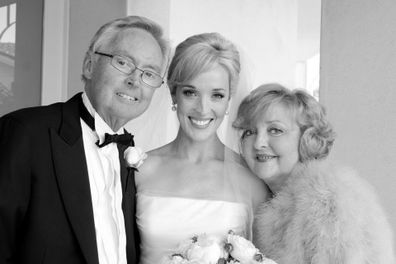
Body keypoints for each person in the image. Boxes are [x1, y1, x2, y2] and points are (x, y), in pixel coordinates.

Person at [0, 16, 169, 264]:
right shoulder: (26, 132)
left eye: (149, 73)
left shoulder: (130, 155)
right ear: (90, 65)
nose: (135, 80)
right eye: (123, 62)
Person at [135, 32, 269, 264]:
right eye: (191, 92)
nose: (203, 109)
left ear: (229, 100)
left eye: (217, 95)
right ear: (173, 93)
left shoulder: (251, 179)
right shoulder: (141, 170)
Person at [233, 83, 395, 264]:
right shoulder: (264, 197)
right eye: (249, 132)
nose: (258, 143)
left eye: (275, 130)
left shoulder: (327, 199)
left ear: (306, 138)